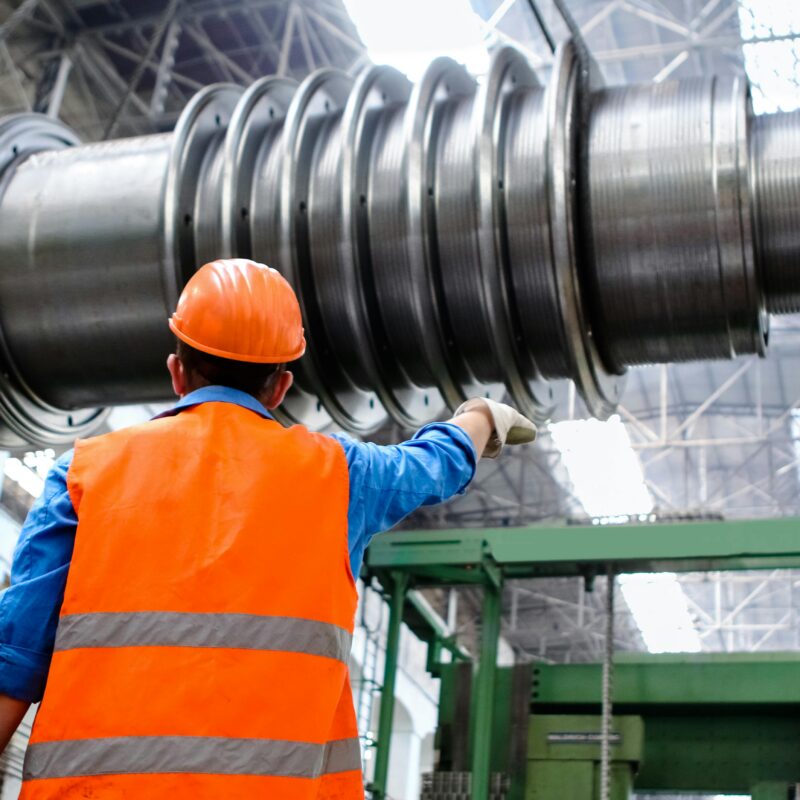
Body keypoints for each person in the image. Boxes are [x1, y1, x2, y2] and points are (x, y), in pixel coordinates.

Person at [0, 258, 536, 799]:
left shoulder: (85, 472)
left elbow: (15, 661)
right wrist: (481, 417)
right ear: (280, 387)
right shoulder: (343, 475)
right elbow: (434, 464)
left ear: (176, 372)